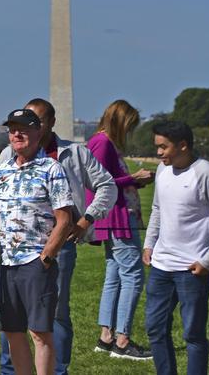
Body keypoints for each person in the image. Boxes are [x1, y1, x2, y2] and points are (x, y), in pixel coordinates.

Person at [0, 98, 117, 375]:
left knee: (52, 316)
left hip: (55, 246)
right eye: (15, 127)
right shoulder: (7, 158)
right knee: (12, 322)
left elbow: (106, 186)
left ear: (48, 124)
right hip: (11, 254)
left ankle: (58, 371)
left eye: (35, 121)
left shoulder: (71, 154)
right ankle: (10, 371)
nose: (20, 132)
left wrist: (86, 220)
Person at [0, 109, 74, 375]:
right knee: (12, 332)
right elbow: (1, 209)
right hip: (7, 263)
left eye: (23, 129)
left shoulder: (51, 169)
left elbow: (64, 219)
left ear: (38, 132)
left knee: (40, 333)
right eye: (12, 129)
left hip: (35, 262)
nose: (16, 134)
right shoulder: (3, 171)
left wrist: (47, 257)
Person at [144, 121, 209, 375]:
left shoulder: (206, 173)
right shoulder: (162, 170)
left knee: (193, 335)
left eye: (163, 147)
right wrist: (149, 244)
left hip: (192, 270)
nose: (159, 153)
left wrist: (207, 260)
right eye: (157, 147)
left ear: (183, 145)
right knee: (155, 329)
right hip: (161, 267)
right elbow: (157, 209)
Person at [86, 99, 153, 360]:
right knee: (133, 276)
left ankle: (106, 338)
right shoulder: (102, 142)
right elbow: (98, 181)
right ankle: (122, 341)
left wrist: (134, 182)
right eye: (130, 126)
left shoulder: (101, 141)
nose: (130, 132)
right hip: (116, 217)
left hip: (114, 216)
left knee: (114, 277)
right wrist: (133, 178)